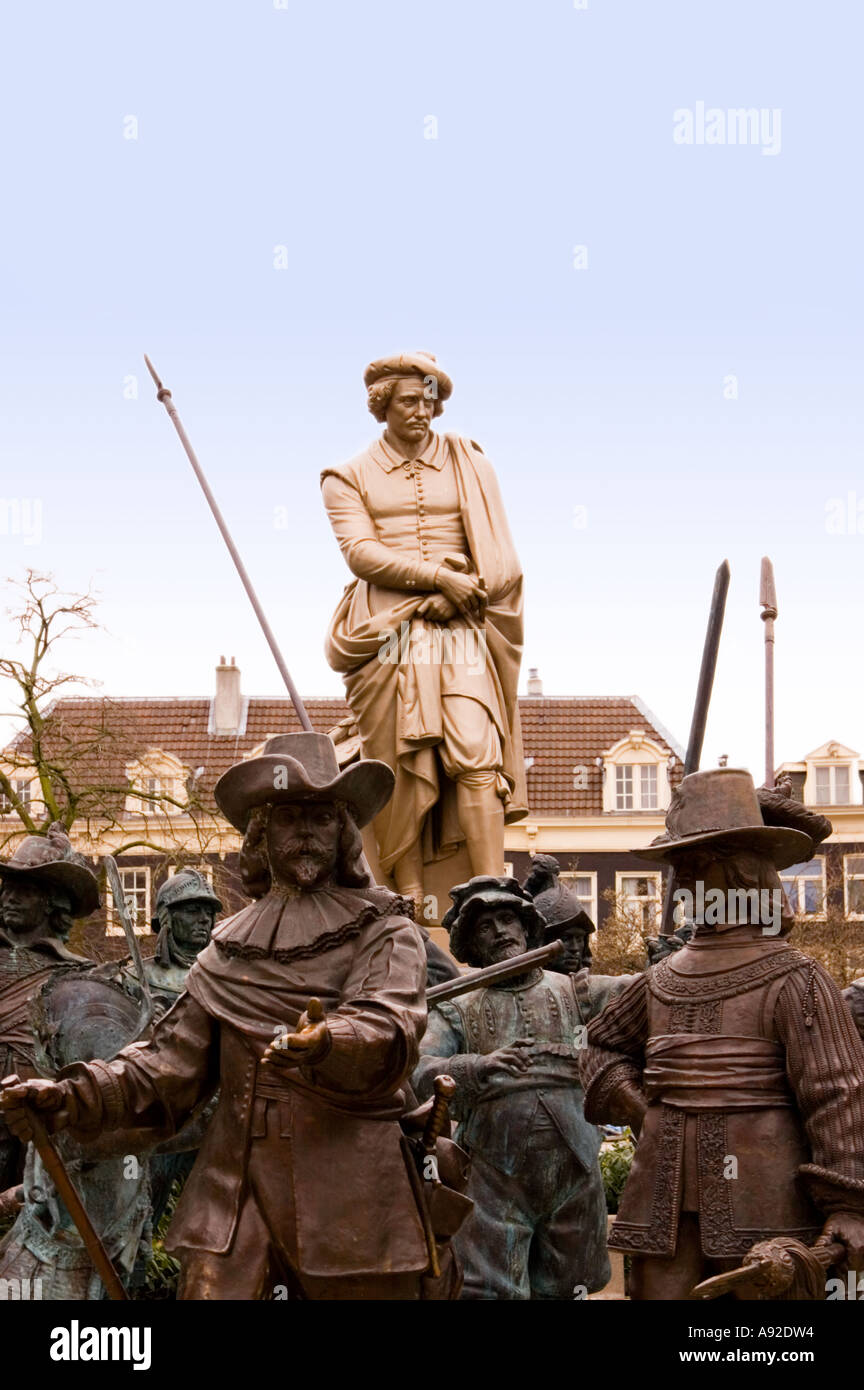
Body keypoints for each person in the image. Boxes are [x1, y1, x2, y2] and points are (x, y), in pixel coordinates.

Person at [0, 733, 462, 1300]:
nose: (307, 835)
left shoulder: (384, 929)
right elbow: (165, 1062)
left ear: (344, 831)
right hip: (235, 1197)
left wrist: (330, 1040)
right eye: (291, 819)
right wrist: (73, 1096)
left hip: (353, 1194)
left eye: (322, 818)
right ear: (261, 835)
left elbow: (389, 1022)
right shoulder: (226, 948)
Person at [580, 768, 864, 1299]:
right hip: (661, 1212)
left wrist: (849, 1206)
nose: (683, 884)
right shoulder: (660, 981)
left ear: (742, 873)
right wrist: (641, 1108)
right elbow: (600, 1045)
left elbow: (840, 1094)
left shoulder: (795, 978)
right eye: (680, 868)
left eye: (696, 866)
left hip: (769, 1205)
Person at [321, 351, 527, 909]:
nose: (423, 412)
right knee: (391, 766)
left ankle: (494, 895)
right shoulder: (345, 477)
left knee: (475, 751)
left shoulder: (469, 461)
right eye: (410, 401)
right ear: (382, 404)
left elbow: (501, 554)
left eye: (430, 400)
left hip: (460, 628)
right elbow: (361, 553)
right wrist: (438, 580)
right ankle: (407, 899)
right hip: (384, 634)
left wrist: (461, 591)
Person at [414, 875, 627, 1299]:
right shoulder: (455, 1008)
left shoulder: (576, 991)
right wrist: (478, 1066)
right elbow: (420, 1072)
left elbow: (644, 993)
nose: (499, 931)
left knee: (571, 1285)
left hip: (575, 1168)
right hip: (493, 1176)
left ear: (527, 928)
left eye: (507, 918)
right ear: (470, 944)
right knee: (490, 1289)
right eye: (484, 926)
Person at [0, 824, 95, 1187]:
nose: (8, 897)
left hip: (44, 1116)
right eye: (7, 887)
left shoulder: (81, 975)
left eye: (22, 890)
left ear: (52, 901)